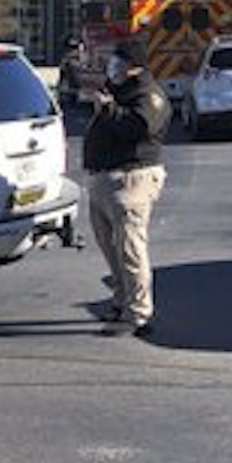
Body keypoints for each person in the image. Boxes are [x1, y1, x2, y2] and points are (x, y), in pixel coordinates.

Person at [82, 37, 171, 338]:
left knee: (131, 247)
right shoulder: (117, 91)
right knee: (110, 245)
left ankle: (139, 313)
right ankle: (121, 299)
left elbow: (140, 128)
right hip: (104, 180)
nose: (113, 67)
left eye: (119, 62)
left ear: (134, 67)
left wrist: (109, 110)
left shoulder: (148, 95)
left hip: (132, 179)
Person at [55, 36, 85, 118]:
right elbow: (64, 77)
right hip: (69, 93)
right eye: (72, 49)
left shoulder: (69, 61)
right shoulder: (68, 62)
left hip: (72, 93)